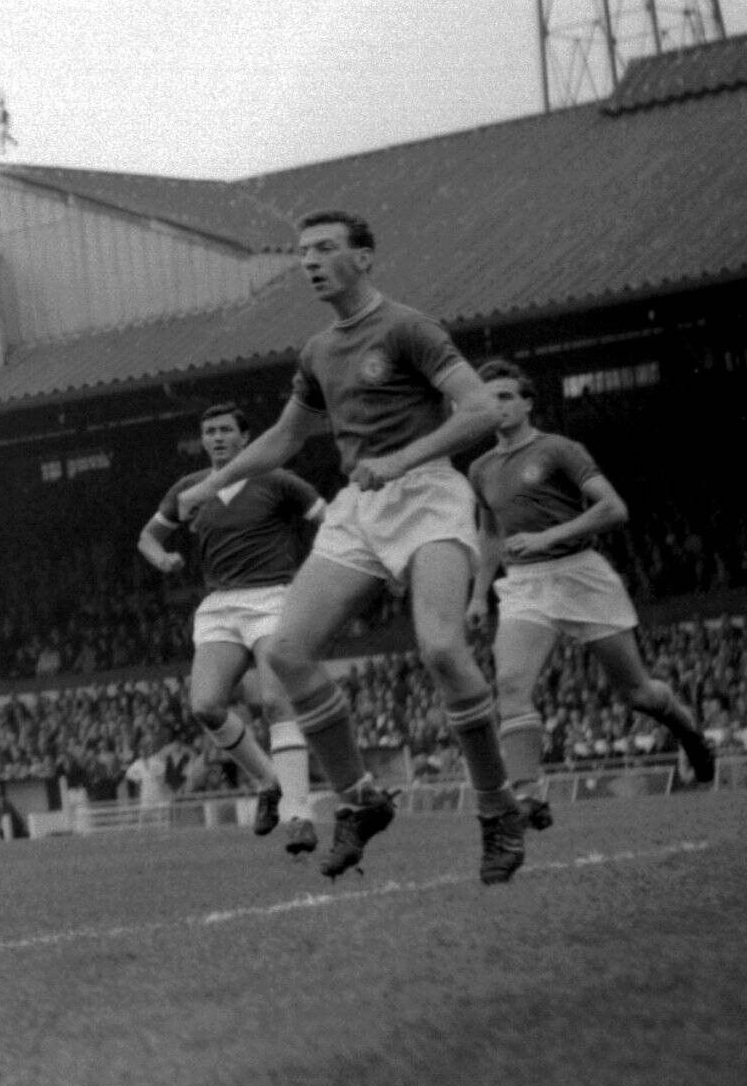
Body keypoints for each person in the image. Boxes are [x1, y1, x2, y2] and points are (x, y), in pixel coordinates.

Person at [179, 210, 518, 884]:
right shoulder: (317, 351)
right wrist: (211, 484)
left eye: (326, 249)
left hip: (425, 495)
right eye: (302, 251)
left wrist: (398, 461)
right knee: (286, 651)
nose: (309, 261)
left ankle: (496, 808)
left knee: (443, 650)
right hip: (360, 506)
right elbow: (281, 440)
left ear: (363, 258)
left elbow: (478, 410)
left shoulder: (406, 328)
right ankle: (360, 800)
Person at [466, 359, 716, 826]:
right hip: (524, 585)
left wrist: (546, 537)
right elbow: (490, 535)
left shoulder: (560, 450)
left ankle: (691, 735)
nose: (496, 406)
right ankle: (527, 795)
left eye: (505, 397)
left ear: (526, 403)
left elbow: (613, 508)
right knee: (512, 686)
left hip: (581, 574)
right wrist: (479, 595)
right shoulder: (480, 468)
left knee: (638, 693)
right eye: (487, 399)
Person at [137, 403, 328, 856]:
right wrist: (160, 558)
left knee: (275, 701)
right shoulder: (189, 489)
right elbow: (147, 537)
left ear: (246, 438)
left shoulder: (277, 480)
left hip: (272, 600)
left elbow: (329, 519)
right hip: (220, 606)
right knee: (205, 705)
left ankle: (299, 815)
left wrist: (320, 571)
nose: (217, 438)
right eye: (209, 432)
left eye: (226, 430)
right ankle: (268, 781)